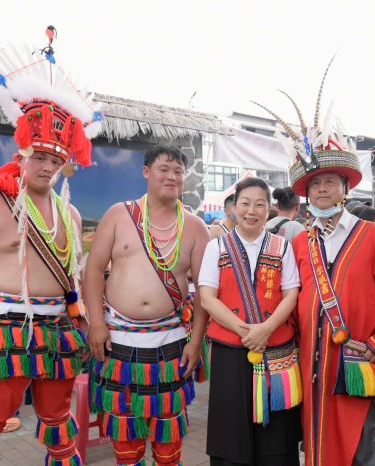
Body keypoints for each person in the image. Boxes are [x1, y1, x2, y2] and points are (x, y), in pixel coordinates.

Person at [0, 28, 100, 465]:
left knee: (60, 427)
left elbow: (75, 275)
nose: (47, 166)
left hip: (57, 333)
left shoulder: (69, 213)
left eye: (56, 160)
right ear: (22, 152)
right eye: (40, 157)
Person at [254, 67, 375, 466]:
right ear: (306, 192)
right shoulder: (299, 242)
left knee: (365, 447)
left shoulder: (374, 236)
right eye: (315, 183)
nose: (322, 188)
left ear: (345, 188)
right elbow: (291, 299)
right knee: (318, 445)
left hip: (358, 358)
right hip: (311, 362)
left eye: (330, 181)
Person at [84, 143, 210, 466]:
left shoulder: (196, 227)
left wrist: (196, 342)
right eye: (163, 169)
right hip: (118, 342)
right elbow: (93, 270)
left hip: (170, 344)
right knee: (126, 443)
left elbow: (205, 291)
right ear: (146, 172)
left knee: (168, 443)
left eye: (178, 171)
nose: (172, 177)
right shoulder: (119, 214)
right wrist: (96, 323)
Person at [199, 176, 302, 466]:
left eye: (259, 204)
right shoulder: (217, 247)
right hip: (230, 351)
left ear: (269, 209)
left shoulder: (282, 247)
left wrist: (266, 329)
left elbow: (291, 294)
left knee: (277, 439)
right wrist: (246, 332)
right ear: (234, 207)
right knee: (231, 433)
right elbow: (207, 298)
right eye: (245, 203)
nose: (251, 211)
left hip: (276, 350)